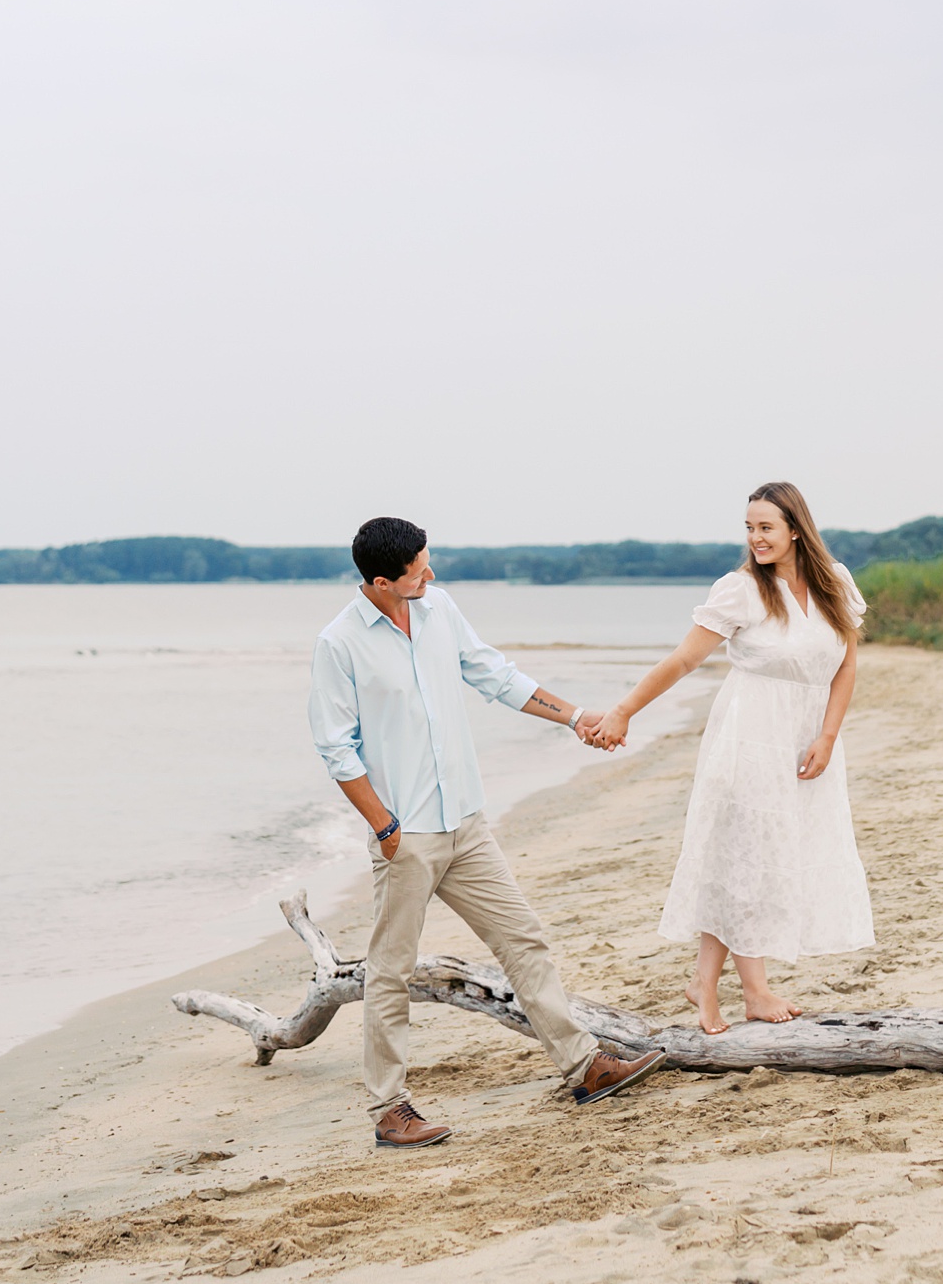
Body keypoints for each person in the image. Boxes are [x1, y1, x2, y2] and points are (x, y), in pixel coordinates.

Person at [309, 515, 665, 1145]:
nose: (431, 575)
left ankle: (584, 1067)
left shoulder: (439, 609)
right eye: (419, 570)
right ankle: (389, 1110)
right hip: (407, 836)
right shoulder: (339, 644)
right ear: (381, 581)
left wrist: (577, 717)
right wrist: (385, 827)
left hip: (467, 824)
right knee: (391, 971)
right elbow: (337, 749)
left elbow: (496, 676)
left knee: (523, 939)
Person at [585, 482, 873, 1033]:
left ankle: (706, 982)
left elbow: (846, 666)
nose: (755, 538)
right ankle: (753, 990)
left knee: (762, 857)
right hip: (749, 736)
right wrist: (623, 711)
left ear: (796, 529)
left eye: (766, 527)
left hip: (807, 740)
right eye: (749, 527)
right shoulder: (740, 590)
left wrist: (829, 736)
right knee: (745, 856)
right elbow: (683, 660)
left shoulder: (835, 582)